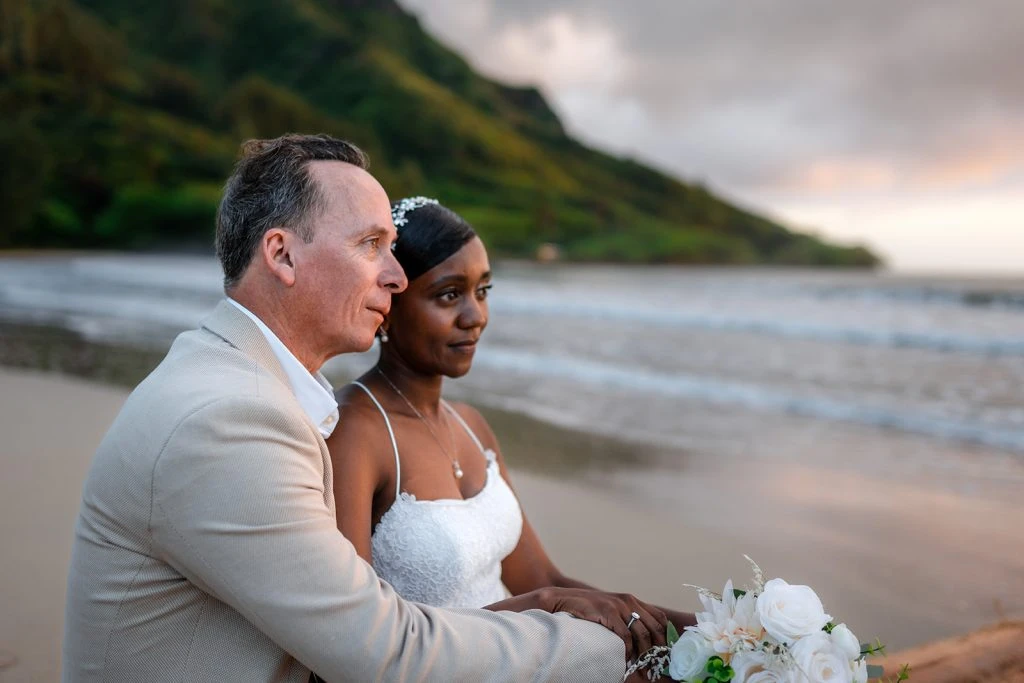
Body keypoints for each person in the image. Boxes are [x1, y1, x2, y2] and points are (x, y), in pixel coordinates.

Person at [61, 135, 633, 682]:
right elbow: (385, 658)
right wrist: (616, 654)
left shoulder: (246, 385)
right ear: (282, 255)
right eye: (370, 245)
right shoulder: (227, 421)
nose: (397, 276)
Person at [326, 197, 696, 662]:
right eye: (449, 295)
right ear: (389, 302)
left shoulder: (470, 424)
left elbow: (540, 579)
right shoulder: (354, 431)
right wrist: (542, 605)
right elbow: (357, 636)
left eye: (482, 291)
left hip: (527, 660)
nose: (475, 316)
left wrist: (709, 629)